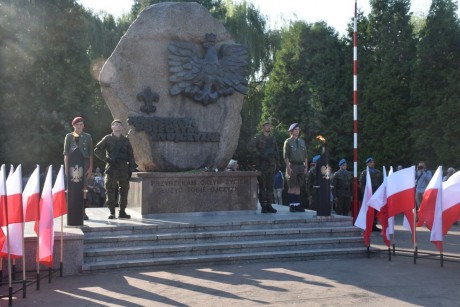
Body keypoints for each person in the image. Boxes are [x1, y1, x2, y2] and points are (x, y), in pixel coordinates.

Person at [94, 119, 137, 219]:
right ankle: (112, 212)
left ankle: (122, 211)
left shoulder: (125, 140)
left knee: (124, 190)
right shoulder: (107, 138)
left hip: (123, 167)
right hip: (112, 167)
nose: (118, 126)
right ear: (112, 127)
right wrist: (107, 159)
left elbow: (130, 155)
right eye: (116, 125)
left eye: (120, 125)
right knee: (110, 189)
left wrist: (131, 168)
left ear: (122, 128)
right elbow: (97, 150)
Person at [63, 116, 93, 221]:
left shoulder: (87, 137)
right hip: (72, 164)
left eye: (81, 124)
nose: (79, 126)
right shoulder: (69, 136)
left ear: (83, 126)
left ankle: (83, 211)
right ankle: (72, 210)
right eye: (77, 125)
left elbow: (90, 154)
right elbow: (66, 154)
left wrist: (90, 168)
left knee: (84, 187)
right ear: (73, 125)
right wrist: (66, 167)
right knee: (72, 187)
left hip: (84, 163)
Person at [247, 121, 279, 213]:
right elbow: (249, 146)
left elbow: (276, 152)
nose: (269, 127)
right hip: (262, 165)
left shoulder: (273, 139)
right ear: (263, 127)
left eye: (270, 126)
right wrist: (259, 155)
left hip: (271, 165)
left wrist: (277, 164)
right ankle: (263, 206)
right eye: (267, 126)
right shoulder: (258, 137)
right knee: (262, 187)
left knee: (270, 187)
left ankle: (269, 205)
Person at [283, 123, 308, 212]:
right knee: (292, 186)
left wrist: (306, 167)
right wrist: (288, 168)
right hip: (292, 165)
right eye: (295, 130)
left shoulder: (302, 141)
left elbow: (305, 156)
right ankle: (291, 205)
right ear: (291, 131)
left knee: (298, 186)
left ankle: (297, 205)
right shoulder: (288, 142)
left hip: (301, 166)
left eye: (298, 129)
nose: (297, 131)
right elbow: (286, 156)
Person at [359, 157, 383, 231]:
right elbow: (362, 185)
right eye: (371, 162)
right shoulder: (364, 173)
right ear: (367, 164)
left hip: (376, 194)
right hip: (369, 194)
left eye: (373, 161)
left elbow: (381, 183)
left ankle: (374, 225)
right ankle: (368, 225)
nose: (373, 163)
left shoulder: (378, 172)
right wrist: (364, 195)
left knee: (375, 210)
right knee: (368, 210)